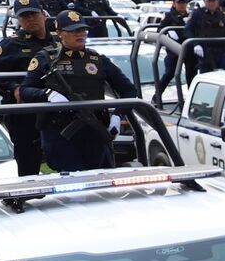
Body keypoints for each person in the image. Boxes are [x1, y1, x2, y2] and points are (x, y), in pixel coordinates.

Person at [18, 9, 137, 172]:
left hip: (94, 129)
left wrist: (117, 115)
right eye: (73, 31)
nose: (79, 34)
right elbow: (25, 90)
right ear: (59, 33)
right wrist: (47, 94)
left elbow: (129, 90)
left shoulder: (98, 59)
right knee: (74, 182)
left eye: (82, 30)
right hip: (59, 131)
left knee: (98, 178)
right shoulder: (45, 58)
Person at [0, 0, 57, 175]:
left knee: (64, 156)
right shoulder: (11, 44)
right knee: (28, 159)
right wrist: (13, 88)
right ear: (18, 19)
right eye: (25, 16)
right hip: (24, 111)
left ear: (43, 14)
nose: (30, 19)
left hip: (57, 106)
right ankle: (25, 197)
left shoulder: (59, 40)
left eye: (33, 14)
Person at [184, 0, 225, 74]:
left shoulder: (222, 14)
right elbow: (188, 30)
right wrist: (195, 44)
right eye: (209, 1)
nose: (212, 3)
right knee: (207, 75)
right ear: (205, 2)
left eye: (213, 1)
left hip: (221, 50)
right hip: (205, 51)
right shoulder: (197, 14)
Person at [153, 0, 191, 99]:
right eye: (179, 3)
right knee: (169, 73)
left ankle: (191, 99)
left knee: (190, 75)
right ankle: (157, 97)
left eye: (183, 3)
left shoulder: (190, 16)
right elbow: (160, 31)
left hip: (188, 49)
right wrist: (169, 31)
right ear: (174, 4)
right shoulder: (169, 16)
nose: (182, 5)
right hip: (174, 50)